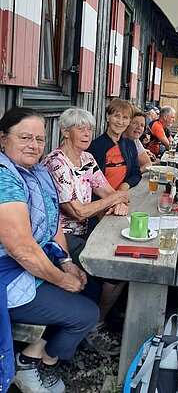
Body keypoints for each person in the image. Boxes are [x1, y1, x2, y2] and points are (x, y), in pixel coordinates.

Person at [0, 107, 99, 393]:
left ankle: (36, 352)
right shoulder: (5, 179)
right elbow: (22, 250)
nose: (34, 145)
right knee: (86, 314)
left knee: (88, 285)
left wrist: (67, 262)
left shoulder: (39, 171)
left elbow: (54, 223)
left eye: (40, 139)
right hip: (9, 275)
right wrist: (61, 279)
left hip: (34, 263)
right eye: (25, 137)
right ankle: (34, 363)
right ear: (3, 139)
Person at [43, 108, 131, 356]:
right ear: (64, 131)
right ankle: (92, 326)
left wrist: (118, 200)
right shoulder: (57, 163)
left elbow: (106, 192)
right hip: (59, 237)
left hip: (85, 230)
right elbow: (77, 211)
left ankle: (98, 320)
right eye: (79, 128)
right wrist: (116, 198)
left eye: (89, 128)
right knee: (113, 268)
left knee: (122, 255)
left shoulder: (88, 159)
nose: (86, 133)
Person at [88, 98, 141, 192]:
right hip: (99, 201)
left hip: (120, 198)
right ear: (108, 117)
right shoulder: (94, 147)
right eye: (117, 116)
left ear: (129, 122)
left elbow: (136, 173)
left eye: (125, 118)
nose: (120, 122)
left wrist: (126, 184)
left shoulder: (130, 144)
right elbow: (89, 181)